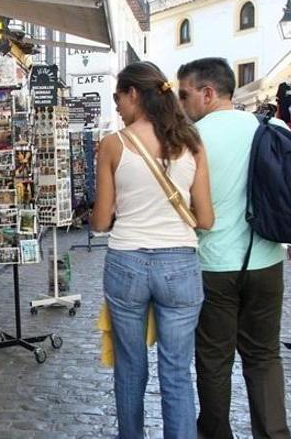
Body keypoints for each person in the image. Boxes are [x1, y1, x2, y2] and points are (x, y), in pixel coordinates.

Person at [92, 61, 214, 439]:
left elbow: (99, 222)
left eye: (118, 98)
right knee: (177, 371)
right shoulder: (191, 143)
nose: (117, 107)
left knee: (130, 368)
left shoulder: (114, 144)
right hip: (178, 262)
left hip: (127, 260)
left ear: (133, 94)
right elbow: (206, 219)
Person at [177, 58, 291, 439]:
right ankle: (274, 434)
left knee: (213, 361)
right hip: (267, 260)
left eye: (185, 94)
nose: (181, 104)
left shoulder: (191, 140)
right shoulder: (272, 126)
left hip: (213, 265)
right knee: (264, 356)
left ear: (208, 93)